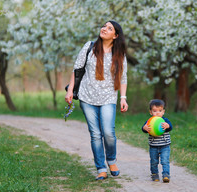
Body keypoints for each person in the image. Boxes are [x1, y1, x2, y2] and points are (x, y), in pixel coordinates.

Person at [65, 20, 128, 180]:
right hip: (87, 97)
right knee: (95, 134)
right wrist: (70, 90)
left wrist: (123, 98)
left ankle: (111, 160)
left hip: (108, 96)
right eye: (104, 26)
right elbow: (77, 69)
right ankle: (101, 168)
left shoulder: (119, 54)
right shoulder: (89, 47)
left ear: (115, 35)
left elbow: (123, 77)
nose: (104, 29)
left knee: (108, 132)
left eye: (109, 28)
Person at [142, 99, 173, 183]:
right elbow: (144, 128)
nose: (157, 113)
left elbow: (170, 127)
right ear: (151, 112)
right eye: (155, 111)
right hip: (153, 146)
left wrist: (167, 126)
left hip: (165, 145)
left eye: (160, 111)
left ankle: (166, 175)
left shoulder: (165, 121)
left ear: (163, 112)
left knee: (165, 161)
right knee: (154, 161)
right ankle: (154, 174)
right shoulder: (150, 121)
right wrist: (145, 128)